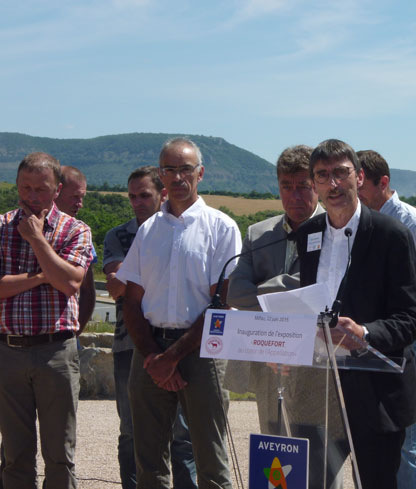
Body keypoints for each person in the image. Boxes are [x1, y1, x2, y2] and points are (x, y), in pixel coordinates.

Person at [295, 139, 416, 489]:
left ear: (359, 176)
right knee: (309, 481)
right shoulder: (307, 235)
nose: (333, 184)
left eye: (341, 173)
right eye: (323, 176)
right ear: (315, 184)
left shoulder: (390, 235)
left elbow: (411, 319)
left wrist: (365, 333)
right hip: (319, 389)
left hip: (376, 390)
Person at [117, 138, 241, 489]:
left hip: (202, 353)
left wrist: (171, 357)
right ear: (160, 175)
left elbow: (221, 304)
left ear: (199, 173)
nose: (177, 177)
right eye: (169, 169)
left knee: (210, 462)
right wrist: (155, 356)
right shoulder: (148, 231)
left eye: (185, 169)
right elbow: (132, 301)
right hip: (150, 349)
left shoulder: (222, 228)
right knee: (150, 463)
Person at [226, 146, 345, 488]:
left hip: (318, 364)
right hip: (270, 362)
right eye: (286, 186)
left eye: (303, 185)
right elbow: (235, 293)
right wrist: (291, 292)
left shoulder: (335, 231)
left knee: (320, 463)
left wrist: (265, 290)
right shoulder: (257, 234)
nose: (294, 195)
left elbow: (326, 290)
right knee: (277, 459)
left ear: (317, 186)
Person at [0, 152, 93, 489]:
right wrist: (42, 276)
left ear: (57, 190)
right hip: (8, 353)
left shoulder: (75, 230)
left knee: (59, 454)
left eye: (41, 189)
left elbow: (70, 282)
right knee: (14, 455)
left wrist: (38, 240)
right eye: (25, 187)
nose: (32, 196)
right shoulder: (1, 226)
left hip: (56, 353)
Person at [357, 149, 416, 489]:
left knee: (405, 432)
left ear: (384, 182)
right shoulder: (357, 222)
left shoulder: (413, 224)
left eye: (362, 185)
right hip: (366, 338)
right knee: (369, 428)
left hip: (410, 339)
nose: (356, 193)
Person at [103, 166, 198, 489]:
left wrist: (140, 277)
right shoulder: (118, 235)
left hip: (176, 343)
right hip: (129, 345)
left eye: (145, 195)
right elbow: (116, 288)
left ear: (163, 194)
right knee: (132, 431)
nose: (137, 203)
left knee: (183, 434)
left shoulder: (184, 231)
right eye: (131, 196)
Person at [55, 166, 96, 333]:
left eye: (82, 197)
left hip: (61, 338)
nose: (80, 204)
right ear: (56, 192)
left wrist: (74, 334)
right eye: (75, 197)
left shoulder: (80, 232)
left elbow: (87, 291)